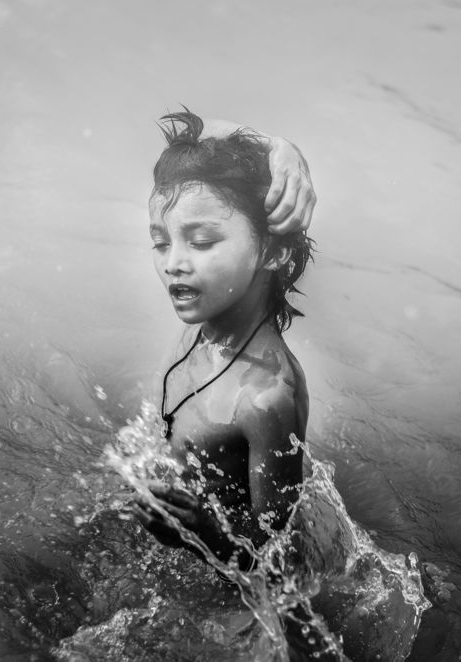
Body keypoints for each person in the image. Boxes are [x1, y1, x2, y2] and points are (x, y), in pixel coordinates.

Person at [130, 108, 315, 578]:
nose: (174, 263)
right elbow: (201, 134)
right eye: (160, 242)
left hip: (221, 589)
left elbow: (277, 562)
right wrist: (281, 147)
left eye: (203, 242)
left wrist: (201, 534)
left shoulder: (265, 398)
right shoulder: (206, 320)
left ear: (272, 250)